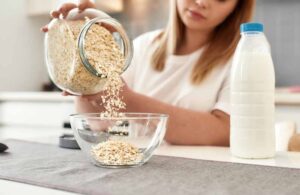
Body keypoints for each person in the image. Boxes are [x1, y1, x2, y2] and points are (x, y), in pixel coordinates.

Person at [43, 0, 255, 146]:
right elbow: (98, 122)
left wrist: (128, 99)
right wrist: (84, 53)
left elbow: (225, 132)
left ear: (235, 8)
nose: (202, 2)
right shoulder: (144, 46)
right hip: (141, 170)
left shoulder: (242, 56)